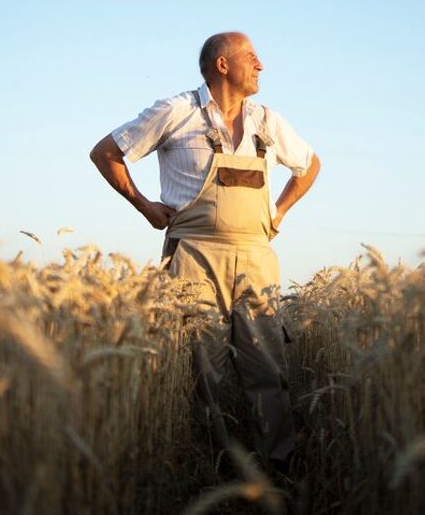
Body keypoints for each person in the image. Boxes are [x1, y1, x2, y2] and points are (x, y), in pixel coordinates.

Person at [89, 31, 321, 473]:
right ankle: (212, 473)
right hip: (193, 257)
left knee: (267, 368)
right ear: (222, 64)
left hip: (256, 257)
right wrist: (144, 206)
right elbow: (106, 153)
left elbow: (310, 166)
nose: (261, 65)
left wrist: (279, 212)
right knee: (203, 371)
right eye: (252, 57)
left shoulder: (268, 121)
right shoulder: (176, 111)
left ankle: (277, 470)